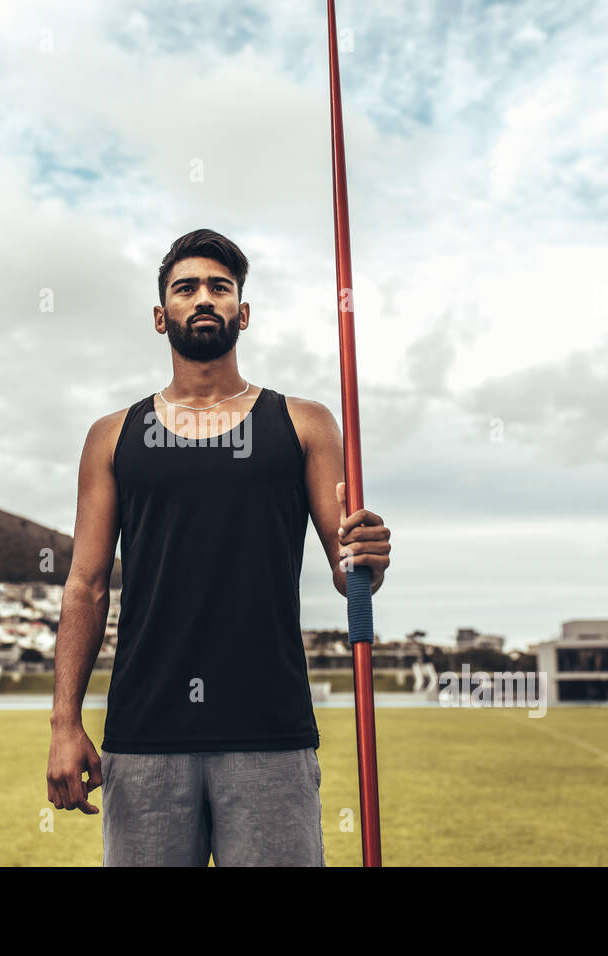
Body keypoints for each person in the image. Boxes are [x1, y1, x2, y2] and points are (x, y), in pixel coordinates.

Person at [45, 228, 392, 866]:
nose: (204, 297)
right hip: (145, 733)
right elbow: (87, 586)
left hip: (269, 728)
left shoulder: (304, 422)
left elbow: (349, 573)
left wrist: (366, 553)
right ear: (161, 316)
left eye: (220, 287)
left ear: (243, 312)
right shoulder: (112, 436)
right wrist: (65, 722)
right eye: (187, 288)